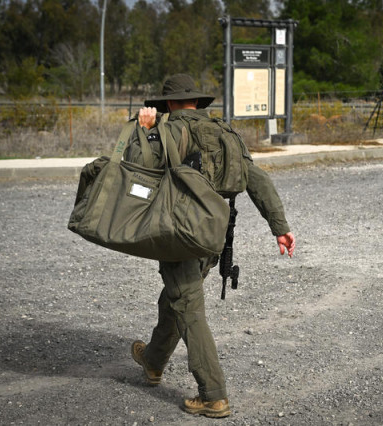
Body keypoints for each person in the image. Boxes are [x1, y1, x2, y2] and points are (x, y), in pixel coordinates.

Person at [125, 74, 295, 418]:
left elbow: (133, 170)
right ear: (197, 103)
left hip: (178, 233)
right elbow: (256, 179)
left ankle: (213, 394)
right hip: (215, 236)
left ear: (169, 104)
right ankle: (153, 362)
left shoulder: (166, 130)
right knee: (176, 296)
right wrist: (280, 227)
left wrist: (143, 130)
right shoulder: (225, 133)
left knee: (188, 307)